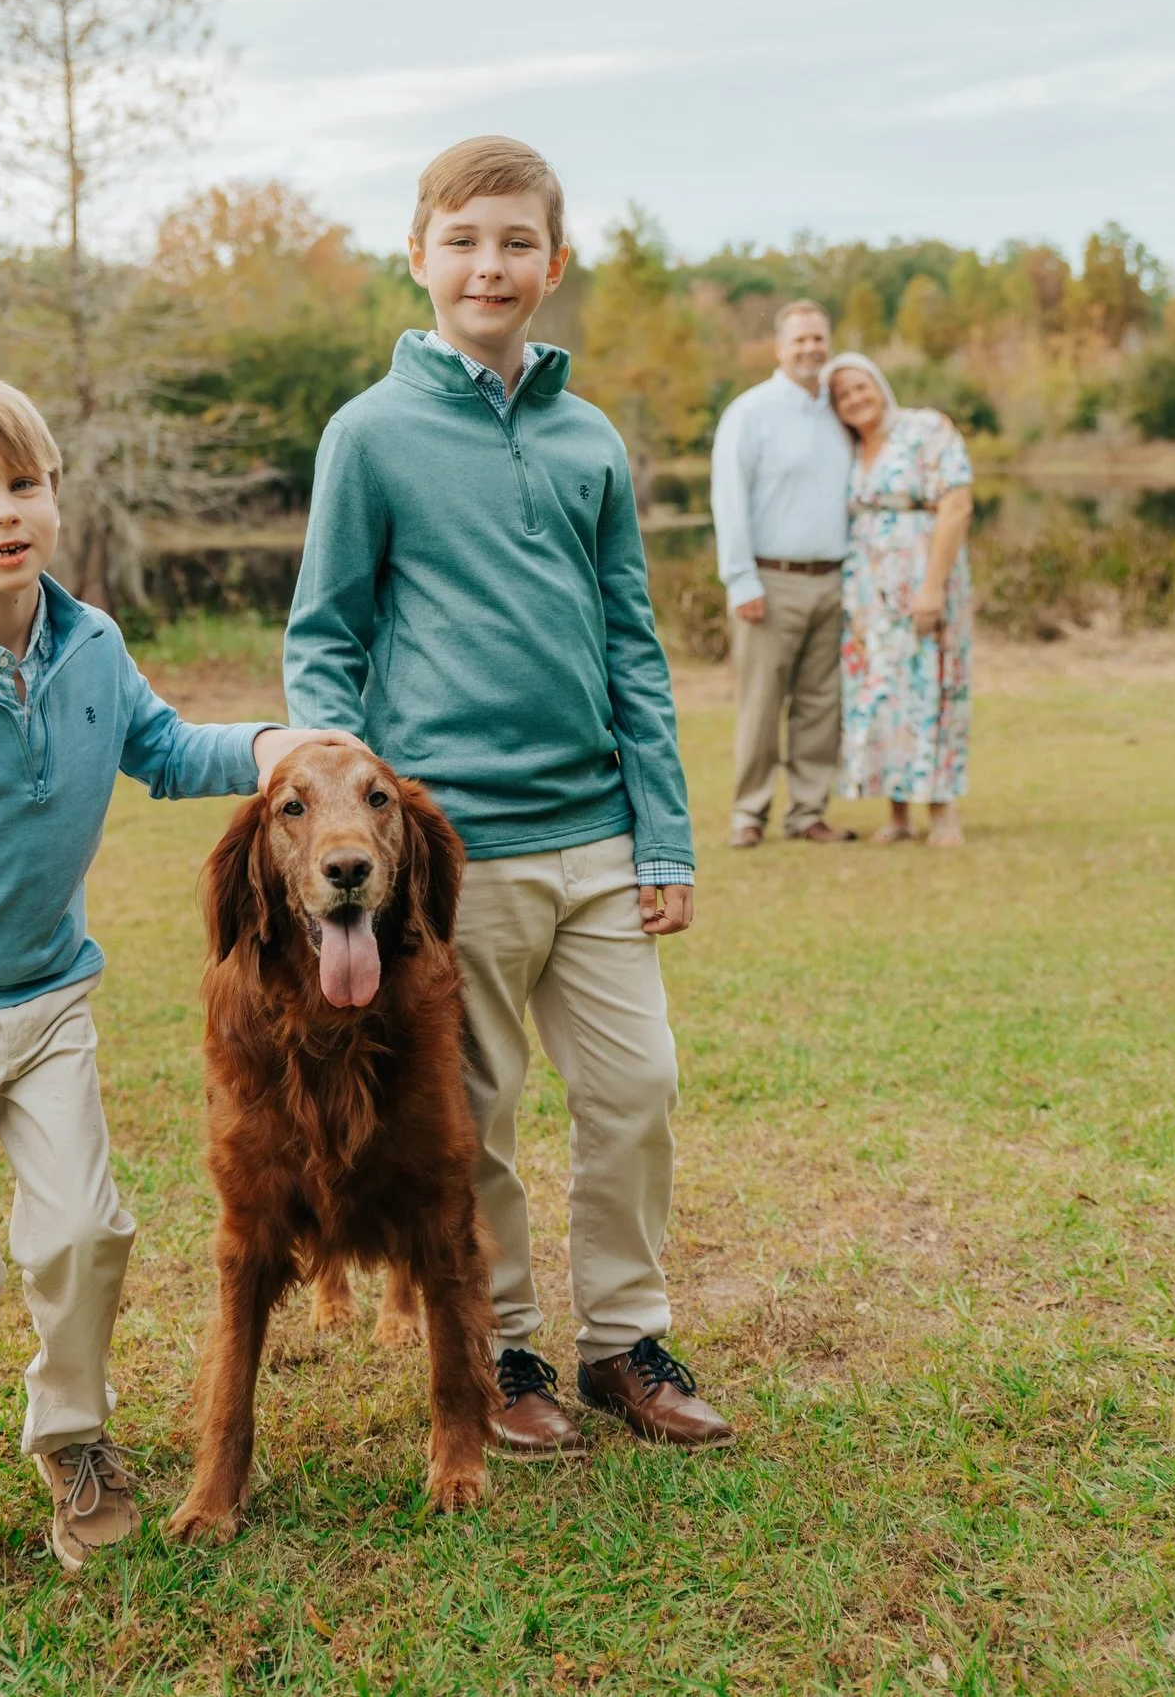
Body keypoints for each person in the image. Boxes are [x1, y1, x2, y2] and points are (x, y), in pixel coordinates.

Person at [0, 374, 354, 1616]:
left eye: (25, 485)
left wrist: (267, 746)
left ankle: (74, 1442)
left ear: (55, 498)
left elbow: (157, 747)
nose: (5, 513)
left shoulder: (89, 642)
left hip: (46, 1002)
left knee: (87, 1234)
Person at [284, 136, 734, 1458]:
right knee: (471, 1113)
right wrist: (357, 825)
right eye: (465, 239)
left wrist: (664, 829)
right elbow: (325, 640)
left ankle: (625, 1343)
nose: (491, 264)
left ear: (554, 259)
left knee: (637, 1083)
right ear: (419, 254)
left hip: (596, 834)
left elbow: (634, 646)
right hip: (450, 854)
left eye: (517, 241)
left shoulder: (590, 436)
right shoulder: (367, 434)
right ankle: (506, 1341)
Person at [710, 301, 856, 847]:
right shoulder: (752, 412)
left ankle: (808, 813)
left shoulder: (837, 413)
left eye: (818, 338)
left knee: (822, 705)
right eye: (799, 341)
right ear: (780, 348)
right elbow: (729, 499)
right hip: (769, 581)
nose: (810, 349)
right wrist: (740, 579)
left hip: (832, 579)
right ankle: (749, 814)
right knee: (761, 704)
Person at [821, 352, 974, 845]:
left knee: (934, 685)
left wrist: (931, 587)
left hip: (924, 577)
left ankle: (943, 811)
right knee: (883, 694)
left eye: (861, 387)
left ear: (880, 385)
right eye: (843, 395)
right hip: (869, 595)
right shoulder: (851, 448)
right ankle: (899, 813)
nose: (855, 399)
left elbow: (957, 504)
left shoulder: (925, 428)